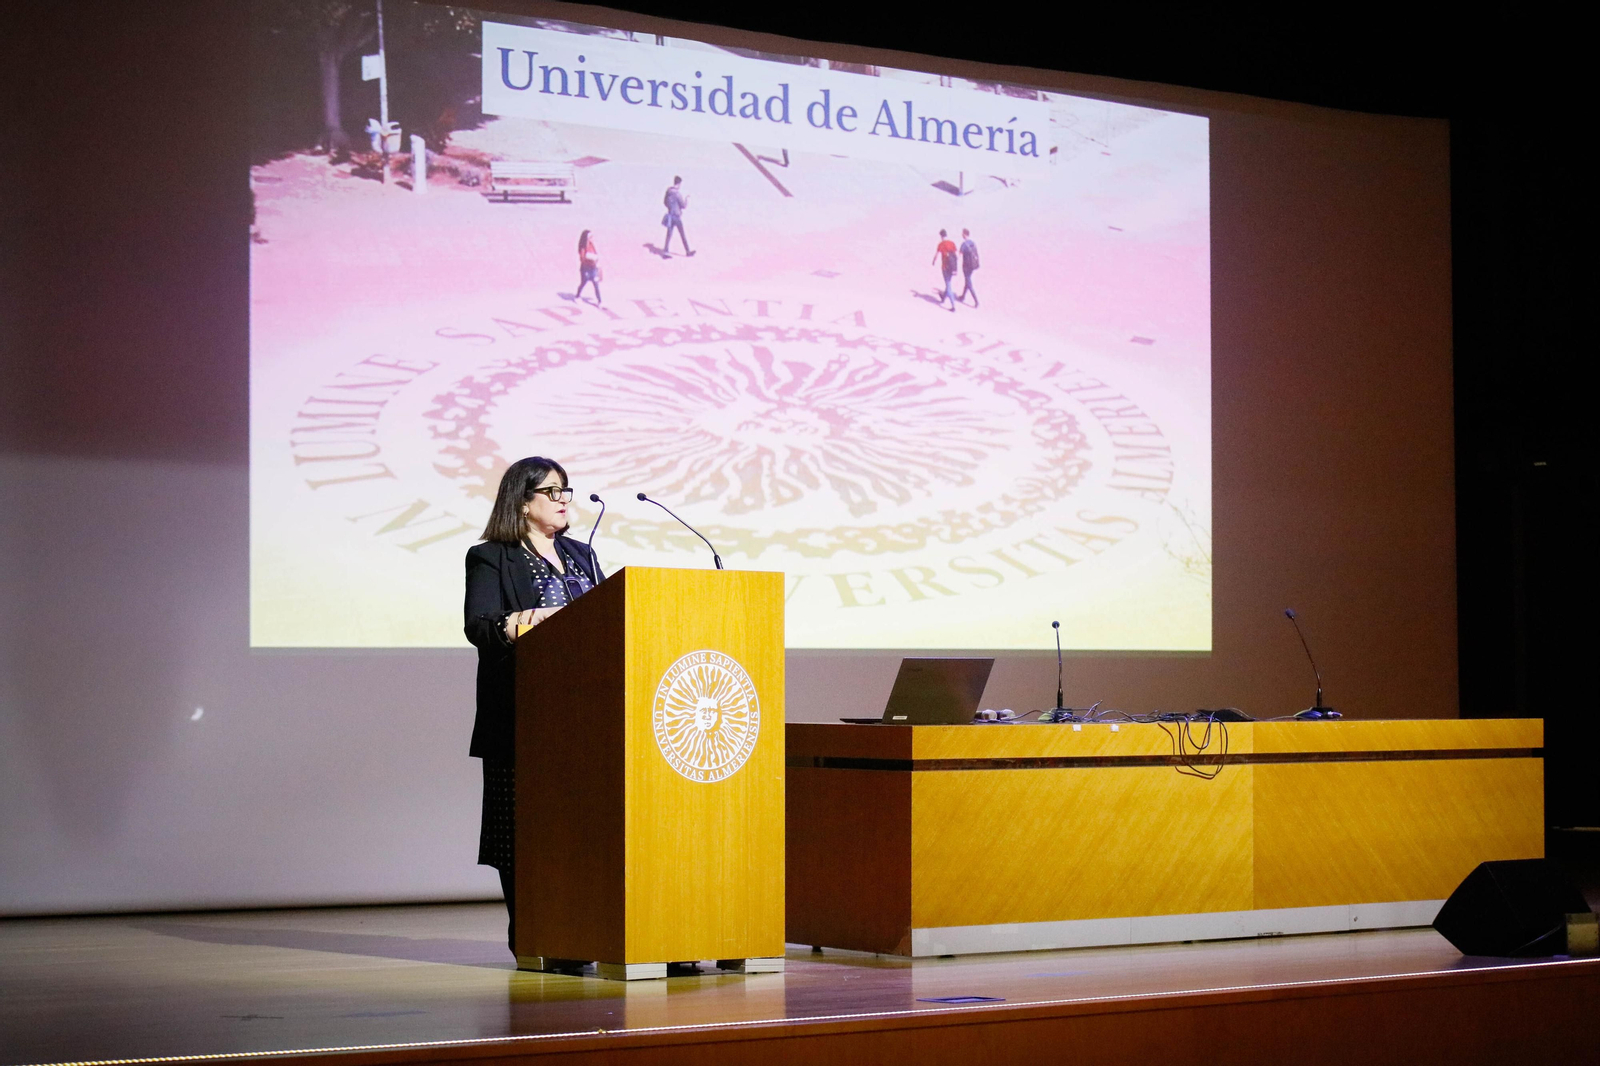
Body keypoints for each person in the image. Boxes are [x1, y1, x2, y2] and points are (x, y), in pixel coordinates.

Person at [463, 457, 604, 953]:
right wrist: (522, 621)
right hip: (524, 719)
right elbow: (479, 626)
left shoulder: (583, 555)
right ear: (523, 502)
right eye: (553, 491)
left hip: (589, 721)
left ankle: (584, 929)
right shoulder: (491, 557)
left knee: (585, 831)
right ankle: (536, 936)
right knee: (521, 834)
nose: (565, 499)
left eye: (567, 490)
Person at [661, 175, 694, 257]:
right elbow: (683, 206)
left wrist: (670, 207)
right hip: (676, 216)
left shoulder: (668, 192)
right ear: (679, 184)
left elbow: (665, 202)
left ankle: (665, 251)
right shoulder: (677, 194)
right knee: (682, 234)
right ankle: (688, 251)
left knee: (669, 234)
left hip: (670, 215)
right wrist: (686, 200)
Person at [931, 229, 958, 311]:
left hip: (945, 267)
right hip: (952, 267)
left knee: (948, 285)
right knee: (948, 283)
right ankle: (943, 298)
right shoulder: (952, 243)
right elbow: (955, 256)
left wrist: (933, 261)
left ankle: (953, 305)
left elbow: (936, 255)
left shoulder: (941, 244)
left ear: (941, 236)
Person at [576, 229, 601, 305]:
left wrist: (596, 261)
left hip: (593, 268)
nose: (592, 238)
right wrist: (589, 258)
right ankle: (577, 296)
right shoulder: (583, 247)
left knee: (596, 284)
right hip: (585, 269)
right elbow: (582, 258)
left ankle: (600, 301)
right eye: (590, 237)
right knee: (583, 282)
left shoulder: (592, 246)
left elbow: (596, 255)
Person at [958, 228, 980, 307]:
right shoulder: (973, 243)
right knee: (967, 281)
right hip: (972, 265)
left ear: (964, 234)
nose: (961, 235)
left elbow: (959, 255)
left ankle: (976, 301)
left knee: (969, 283)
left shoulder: (964, 244)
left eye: (962, 233)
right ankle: (963, 296)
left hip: (966, 266)